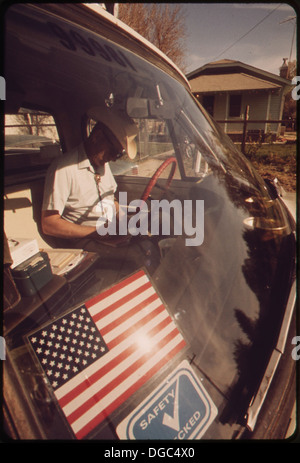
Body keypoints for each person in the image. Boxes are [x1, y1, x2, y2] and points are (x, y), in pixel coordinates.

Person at [41, 115, 137, 250]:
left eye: (118, 154)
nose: (114, 159)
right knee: (136, 255)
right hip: (83, 241)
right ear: (97, 136)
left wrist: (125, 220)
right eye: (113, 151)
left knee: (147, 243)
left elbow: (110, 200)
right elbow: (49, 224)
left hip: (109, 236)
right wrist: (95, 232)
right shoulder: (63, 168)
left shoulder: (102, 162)